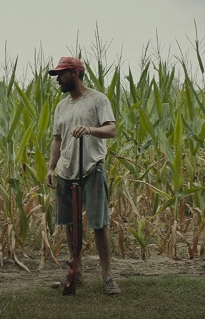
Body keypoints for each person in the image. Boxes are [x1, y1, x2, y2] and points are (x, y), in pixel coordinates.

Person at [46, 56, 121, 295]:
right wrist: (51, 167)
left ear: (75, 73)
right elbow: (57, 139)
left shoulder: (97, 100)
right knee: (70, 223)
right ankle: (75, 272)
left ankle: (107, 276)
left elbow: (111, 129)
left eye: (61, 74)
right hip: (66, 170)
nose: (58, 79)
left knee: (99, 223)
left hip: (91, 167)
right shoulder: (61, 106)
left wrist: (90, 130)